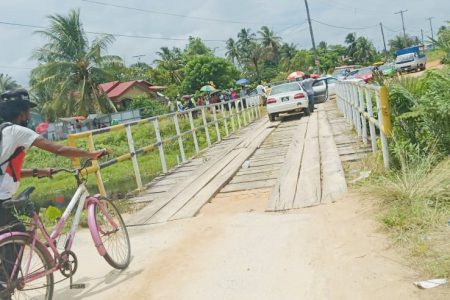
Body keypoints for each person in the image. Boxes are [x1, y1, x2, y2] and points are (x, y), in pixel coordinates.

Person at [0, 89, 107, 296]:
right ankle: (5, 287)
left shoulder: (3, 132)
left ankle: (5, 282)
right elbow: (57, 149)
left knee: (9, 244)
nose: (29, 116)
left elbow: (6, 170)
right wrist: (91, 153)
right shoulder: (18, 131)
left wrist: (37, 171)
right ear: (22, 113)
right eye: (28, 112)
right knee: (16, 237)